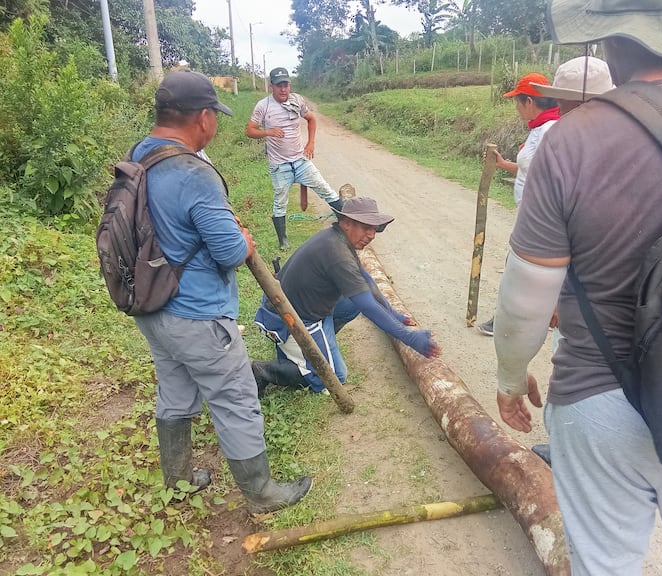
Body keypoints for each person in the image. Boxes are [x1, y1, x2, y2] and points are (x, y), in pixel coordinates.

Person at [494, 1, 662, 574]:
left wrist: (511, 377)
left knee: (605, 564)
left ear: (610, 39)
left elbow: (525, 301)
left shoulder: (572, 142)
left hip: (601, 396)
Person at [132, 70, 312, 517]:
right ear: (204, 117)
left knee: (174, 391)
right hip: (197, 314)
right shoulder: (195, 173)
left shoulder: (141, 155)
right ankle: (262, 492)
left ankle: (178, 480)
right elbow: (230, 251)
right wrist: (246, 241)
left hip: (151, 306)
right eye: (215, 115)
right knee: (235, 397)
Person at [252, 197, 441, 394]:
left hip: (296, 308)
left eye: (374, 229)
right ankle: (263, 371)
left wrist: (394, 314)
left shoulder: (337, 238)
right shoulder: (337, 254)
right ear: (346, 223)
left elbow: (366, 280)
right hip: (288, 320)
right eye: (365, 227)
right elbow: (368, 306)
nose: (371, 235)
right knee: (333, 377)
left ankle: (310, 349)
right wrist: (409, 338)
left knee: (352, 304)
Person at [477, 73, 560, 337]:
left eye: (517, 101)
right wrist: (503, 164)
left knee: (518, 267)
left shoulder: (550, 131)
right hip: (530, 214)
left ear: (529, 102)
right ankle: (532, 317)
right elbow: (529, 171)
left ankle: (505, 320)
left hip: (541, 217)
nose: (516, 108)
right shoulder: (539, 129)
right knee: (529, 270)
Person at [245, 67, 344, 250]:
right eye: (279, 85)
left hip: (300, 162)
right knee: (280, 202)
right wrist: (268, 132)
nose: (283, 89)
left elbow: (311, 119)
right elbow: (249, 130)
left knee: (326, 189)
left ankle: (345, 226)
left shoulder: (297, 100)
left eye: (286, 85)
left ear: (289, 85)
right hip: (279, 166)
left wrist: (311, 143)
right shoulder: (263, 106)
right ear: (271, 87)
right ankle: (283, 241)